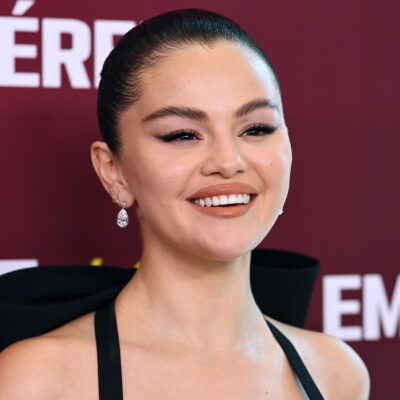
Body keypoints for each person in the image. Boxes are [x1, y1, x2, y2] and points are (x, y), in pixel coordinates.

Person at [0, 8, 369, 399]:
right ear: (114, 171)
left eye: (256, 128)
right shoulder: (39, 380)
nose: (229, 162)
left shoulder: (337, 374)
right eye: (181, 135)